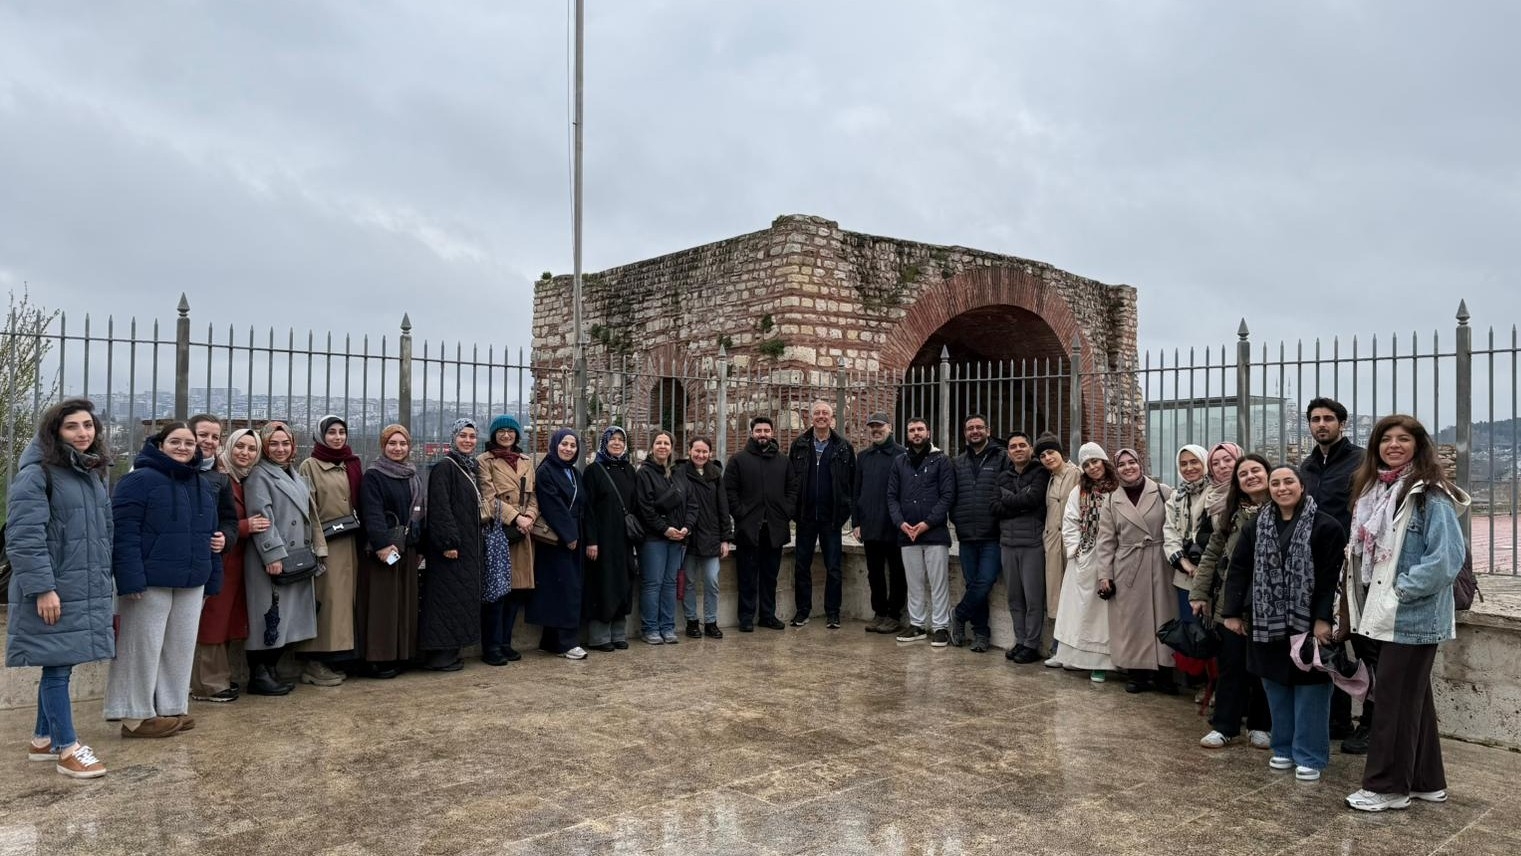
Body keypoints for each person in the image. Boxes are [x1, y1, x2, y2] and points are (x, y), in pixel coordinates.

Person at [1342, 415, 1468, 812]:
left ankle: (1387, 787)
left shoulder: (1429, 494)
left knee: (1393, 701)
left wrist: (1399, 592)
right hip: (1387, 614)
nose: (1393, 445)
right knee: (1414, 698)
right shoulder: (1376, 493)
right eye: (1386, 439)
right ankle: (1427, 781)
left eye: (1403, 439)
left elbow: (1446, 559)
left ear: (1418, 445)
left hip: (1410, 615)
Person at [7, 398, 113, 778]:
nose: (83, 433)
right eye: (72, 426)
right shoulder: (37, 475)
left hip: (82, 584)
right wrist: (42, 589)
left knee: (59, 661)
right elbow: (23, 539)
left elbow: (101, 536)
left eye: (88, 425)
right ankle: (68, 748)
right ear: (55, 431)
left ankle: (42, 739)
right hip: (54, 589)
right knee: (57, 668)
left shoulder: (90, 473)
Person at [1222, 465, 1346, 783]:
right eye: (1275, 483)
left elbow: (1331, 578)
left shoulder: (1325, 526)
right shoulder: (1256, 525)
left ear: (1302, 486)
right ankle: (1283, 748)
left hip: (1307, 623)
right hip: (1266, 622)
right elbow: (1239, 568)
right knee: (1275, 687)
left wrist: (1322, 619)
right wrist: (1232, 612)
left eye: (1288, 481)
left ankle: (1310, 755)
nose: (1281, 488)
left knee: (1311, 689)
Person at [105, 422, 223, 737]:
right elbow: (124, 532)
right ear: (160, 445)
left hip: (191, 579)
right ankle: (134, 716)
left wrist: (212, 576)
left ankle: (172, 708)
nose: (183, 447)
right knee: (140, 648)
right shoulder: (138, 480)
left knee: (179, 647)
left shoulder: (200, 485)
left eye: (189, 443)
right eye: (176, 441)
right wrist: (130, 580)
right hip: (149, 580)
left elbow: (210, 535)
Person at [1300, 397, 1373, 751]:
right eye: (1315, 419)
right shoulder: (1307, 467)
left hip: (1356, 567)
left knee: (1364, 646)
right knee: (1328, 642)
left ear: (1341, 423)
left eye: (1328, 418)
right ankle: (1338, 719)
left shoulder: (1361, 462)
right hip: (1318, 567)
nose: (1321, 424)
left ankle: (1372, 723)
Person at [1190, 453, 1273, 750]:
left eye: (1256, 471)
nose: (1250, 477)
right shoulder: (1232, 514)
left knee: (1263, 667)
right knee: (1231, 665)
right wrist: (1199, 593)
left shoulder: (1283, 510)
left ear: (1268, 474)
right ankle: (1225, 725)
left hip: (1269, 602)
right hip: (1232, 600)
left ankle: (1261, 725)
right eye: (1244, 474)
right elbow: (1212, 554)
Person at [242, 421, 323, 696]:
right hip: (272, 558)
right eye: (274, 443)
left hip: (296, 556)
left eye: (285, 443)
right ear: (265, 446)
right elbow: (262, 518)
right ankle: (259, 674)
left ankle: (271, 670)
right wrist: (272, 554)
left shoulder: (294, 474)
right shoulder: (258, 476)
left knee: (286, 616)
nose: (280, 448)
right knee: (269, 615)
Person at [1094, 448, 1177, 694]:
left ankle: (1165, 673)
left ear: (1140, 464)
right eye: (1122, 465)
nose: (1128, 468)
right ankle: (1137, 674)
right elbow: (1106, 541)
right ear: (1116, 469)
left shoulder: (1163, 492)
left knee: (1165, 618)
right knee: (1131, 621)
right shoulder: (1111, 500)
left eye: (1132, 462)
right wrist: (1104, 575)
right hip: (1128, 565)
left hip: (1161, 562)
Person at [295, 415, 362, 686]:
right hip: (326, 545)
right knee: (327, 603)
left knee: (344, 604)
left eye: (341, 432)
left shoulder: (351, 464)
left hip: (351, 543)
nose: (337, 437)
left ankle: (336, 658)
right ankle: (314, 662)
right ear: (320, 435)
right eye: (331, 432)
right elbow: (308, 508)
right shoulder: (310, 466)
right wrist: (318, 543)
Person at [357, 424, 424, 678]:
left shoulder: (412, 474)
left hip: (407, 548)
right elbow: (371, 512)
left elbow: (419, 513)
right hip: (383, 550)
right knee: (382, 604)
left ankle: (401, 653)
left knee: (403, 603)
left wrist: (420, 545)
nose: (398, 448)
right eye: (392, 444)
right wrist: (382, 545)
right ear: (383, 446)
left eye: (402, 444)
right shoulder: (374, 475)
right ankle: (379, 657)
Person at [187, 414, 244, 704]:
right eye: (203, 435)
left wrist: (226, 536)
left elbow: (229, 520)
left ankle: (201, 684)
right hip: (174, 562)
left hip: (212, 561)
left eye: (214, 437)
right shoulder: (169, 472)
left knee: (210, 620)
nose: (209, 442)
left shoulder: (219, 478)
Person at [419, 418, 484, 671]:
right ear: (453, 438)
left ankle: (452, 652)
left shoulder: (468, 467)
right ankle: (440, 655)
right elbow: (440, 507)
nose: (468, 441)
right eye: (463, 436)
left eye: (472, 436)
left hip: (467, 545)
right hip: (452, 547)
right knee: (446, 601)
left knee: (459, 601)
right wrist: (448, 541)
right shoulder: (446, 468)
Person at [724, 416, 797, 632]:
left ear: (772, 433)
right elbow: (729, 491)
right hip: (749, 528)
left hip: (774, 528)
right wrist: (741, 513)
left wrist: (786, 511)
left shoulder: (783, 461)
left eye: (766, 430)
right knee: (747, 575)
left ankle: (767, 615)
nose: (762, 434)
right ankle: (746, 617)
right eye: (758, 430)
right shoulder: (738, 460)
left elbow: (792, 489)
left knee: (770, 576)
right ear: (752, 433)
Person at [787, 400, 855, 629]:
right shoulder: (799, 445)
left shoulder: (843, 447)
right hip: (805, 517)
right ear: (811, 417)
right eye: (817, 413)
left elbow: (850, 484)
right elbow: (791, 482)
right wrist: (794, 511)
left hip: (832, 518)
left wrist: (845, 512)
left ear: (832, 417)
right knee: (801, 566)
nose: (821, 416)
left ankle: (833, 613)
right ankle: (802, 611)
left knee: (834, 568)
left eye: (825, 413)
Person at [888, 418, 956, 647]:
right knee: (914, 582)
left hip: (934, 533)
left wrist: (927, 523)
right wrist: (901, 523)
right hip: (907, 534)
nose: (916, 433)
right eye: (911, 430)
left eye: (920, 429)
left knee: (939, 583)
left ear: (928, 432)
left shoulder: (941, 460)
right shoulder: (900, 462)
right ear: (907, 434)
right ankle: (916, 624)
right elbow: (892, 497)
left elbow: (947, 496)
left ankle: (940, 627)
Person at [1053, 443, 1118, 682]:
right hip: (1086, 555)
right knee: (1081, 612)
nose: (1092, 467)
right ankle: (1079, 659)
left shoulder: (1118, 488)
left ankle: (1107, 663)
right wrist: (1077, 550)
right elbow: (1070, 520)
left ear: (1104, 461)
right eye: (1087, 464)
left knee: (1105, 614)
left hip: (1113, 556)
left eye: (1095, 461)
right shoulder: (1079, 491)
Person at [476, 414, 536, 665]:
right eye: (500, 432)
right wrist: (516, 518)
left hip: (523, 533)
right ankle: (491, 646)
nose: (506, 435)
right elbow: (488, 498)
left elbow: (534, 494)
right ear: (493, 435)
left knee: (515, 592)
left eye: (510, 431)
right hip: (500, 532)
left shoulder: (526, 460)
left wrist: (530, 516)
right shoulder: (484, 461)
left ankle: (505, 642)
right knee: (497, 592)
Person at [991, 431, 1050, 661]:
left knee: (1033, 598)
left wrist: (1010, 500)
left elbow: (1034, 500)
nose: (1017, 449)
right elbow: (994, 506)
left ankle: (1032, 645)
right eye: (1013, 446)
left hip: (1032, 544)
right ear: (1008, 452)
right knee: (1014, 598)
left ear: (1030, 449)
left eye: (1022, 445)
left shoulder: (1040, 473)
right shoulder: (1002, 476)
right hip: (1007, 544)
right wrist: (1019, 502)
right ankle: (1020, 640)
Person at [947, 414, 1005, 648]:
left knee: (985, 580)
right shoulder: (958, 462)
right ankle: (981, 634)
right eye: (970, 428)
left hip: (993, 534)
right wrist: (957, 519)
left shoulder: (1001, 457)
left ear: (988, 431)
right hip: (966, 534)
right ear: (965, 433)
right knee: (973, 584)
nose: (975, 431)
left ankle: (958, 615)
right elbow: (952, 495)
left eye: (979, 427)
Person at [531, 428, 588, 659]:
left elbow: (582, 504)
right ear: (555, 445)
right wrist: (570, 535)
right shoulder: (546, 471)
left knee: (562, 588)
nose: (568, 449)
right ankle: (567, 642)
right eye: (564, 444)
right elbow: (552, 504)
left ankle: (551, 640)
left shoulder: (573, 473)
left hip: (573, 535)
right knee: (565, 590)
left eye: (573, 446)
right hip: (557, 538)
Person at [636, 430, 693, 644]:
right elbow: (645, 508)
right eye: (658, 443)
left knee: (670, 584)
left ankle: (668, 627)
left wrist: (686, 527)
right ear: (652, 447)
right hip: (654, 538)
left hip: (677, 538)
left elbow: (691, 502)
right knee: (653, 583)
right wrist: (664, 529)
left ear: (671, 447)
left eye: (666, 443)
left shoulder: (678, 473)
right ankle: (650, 628)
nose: (662, 446)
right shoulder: (644, 473)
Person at [852, 413, 907, 635]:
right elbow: (856, 491)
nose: (876, 430)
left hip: (894, 524)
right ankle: (879, 613)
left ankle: (894, 615)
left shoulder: (902, 454)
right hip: (870, 524)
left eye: (880, 426)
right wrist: (856, 522)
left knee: (897, 572)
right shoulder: (864, 456)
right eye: (872, 427)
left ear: (890, 428)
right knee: (874, 573)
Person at [582, 426, 637, 650]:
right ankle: (600, 637)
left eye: (620, 440)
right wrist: (592, 540)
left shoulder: (629, 470)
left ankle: (618, 633)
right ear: (604, 443)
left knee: (623, 585)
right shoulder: (594, 470)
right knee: (603, 585)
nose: (616, 443)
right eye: (612, 439)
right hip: (602, 539)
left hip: (623, 539)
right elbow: (588, 509)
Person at [1034, 433, 1080, 665]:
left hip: (1073, 544)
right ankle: (1058, 646)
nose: (1047, 458)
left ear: (1060, 452)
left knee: (1075, 596)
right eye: (1042, 455)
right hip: (1052, 543)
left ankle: (1073, 650)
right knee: (1057, 597)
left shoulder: (1077, 474)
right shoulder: (1049, 479)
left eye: (1050, 452)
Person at [680, 437, 731, 639]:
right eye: (697, 451)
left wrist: (725, 538)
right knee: (689, 582)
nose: (700, 455)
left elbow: (723, 508)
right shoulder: (680, 473)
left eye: (704, 452)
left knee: (712, 581)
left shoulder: (715, 475)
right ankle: (691, 621)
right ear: (689, 451)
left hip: (711, 537)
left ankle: (711, 621)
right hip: (689, 537)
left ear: (710, 453)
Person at [1163, 444, 1218, 628]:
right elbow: (1170, 532)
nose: (1189, 468)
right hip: (1186, 577)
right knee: (1193, 632)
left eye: (1194, 462)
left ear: (1205, 463)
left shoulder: (1217, 492)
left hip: (1216, 575)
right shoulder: (1175, 497)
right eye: (1183, 464)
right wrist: (1185, 564)